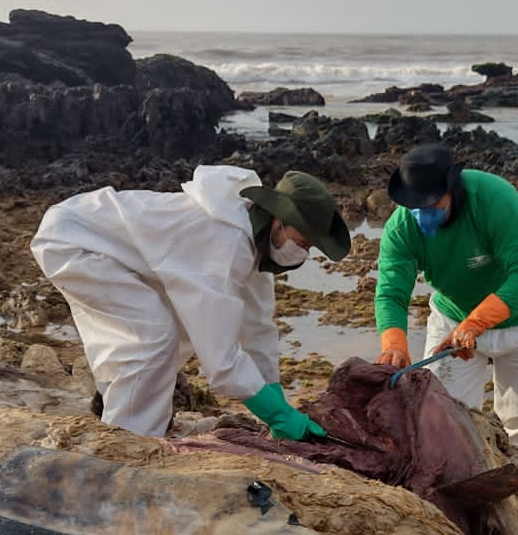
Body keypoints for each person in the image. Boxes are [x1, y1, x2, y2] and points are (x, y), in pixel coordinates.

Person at [31, 166, 350, 439]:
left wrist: (276, 396)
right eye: (302, 240)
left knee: (180, 329)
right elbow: (221, 363)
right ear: (279, 219)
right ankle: (131, 441)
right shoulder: (227, 245)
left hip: (101, 243)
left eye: (310, 247)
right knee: (153, 337)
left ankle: (113, 401)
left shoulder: (254, 239)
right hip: (75, 241)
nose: (303, 253)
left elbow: (257, 328)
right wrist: (277, 415)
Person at [372, 143, 518, 456]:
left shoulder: (496, 199)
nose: (423, 214)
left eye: (431, 204)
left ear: (452, 188)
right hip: (453, 322)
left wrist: (477, 323)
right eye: (416, 206)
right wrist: (394, 346)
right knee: (442, 417)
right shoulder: (402, 226)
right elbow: (391, 292)